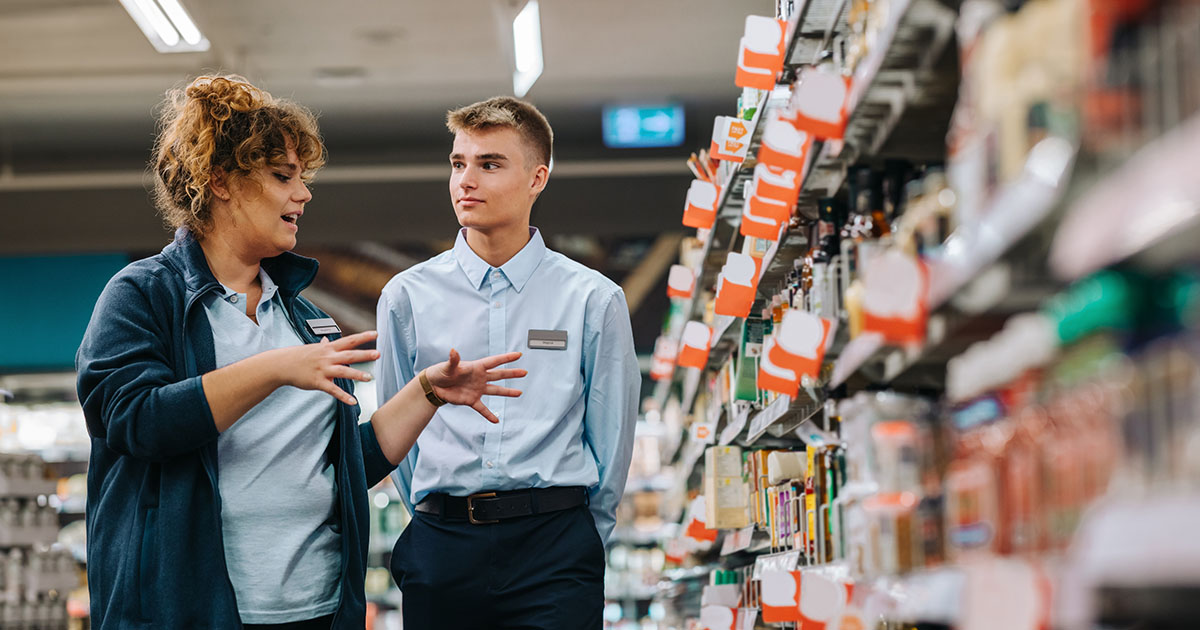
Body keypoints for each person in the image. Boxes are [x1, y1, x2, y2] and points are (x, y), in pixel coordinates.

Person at [75, 75, 525, 630]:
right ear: (220, 181)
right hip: (191, 610)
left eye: (303, 179)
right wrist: (276, 369)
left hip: (316, 608)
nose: (304, 194)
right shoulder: (144, 295)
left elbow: (338, 466)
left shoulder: (303, 316)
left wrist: (428, 392)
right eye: (283, 177)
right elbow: (134, 420)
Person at [376, 96, 641, 629]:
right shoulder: (406, 297)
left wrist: (581, 538)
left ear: (537, 178)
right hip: (442, 547)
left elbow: (611, 440)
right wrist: (436, 520)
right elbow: (394, 435)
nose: (465, 181)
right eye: (458, 163)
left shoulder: (593, 299)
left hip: (555, 550)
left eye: (489, 164)